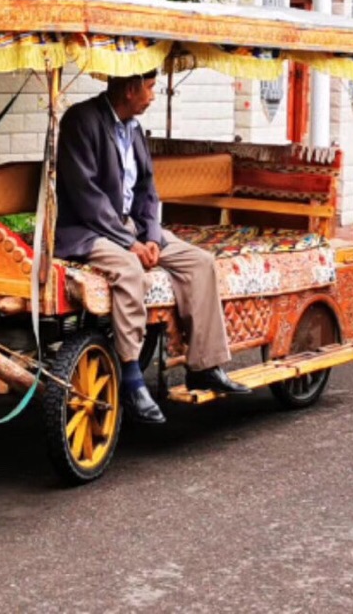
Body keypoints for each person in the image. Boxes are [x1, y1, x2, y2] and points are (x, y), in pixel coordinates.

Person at [54, 71, 247, 424]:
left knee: (200, 262)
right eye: (150, 88)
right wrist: (130, 244)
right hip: (88, 230)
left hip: (132, 228)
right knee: (130, 271)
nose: (153, 96)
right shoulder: (82, 121)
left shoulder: (135, 129)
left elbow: (147, 191)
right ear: (130, 89)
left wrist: (153, 238)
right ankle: (130, 375)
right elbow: (87, 198)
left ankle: (204, 365)